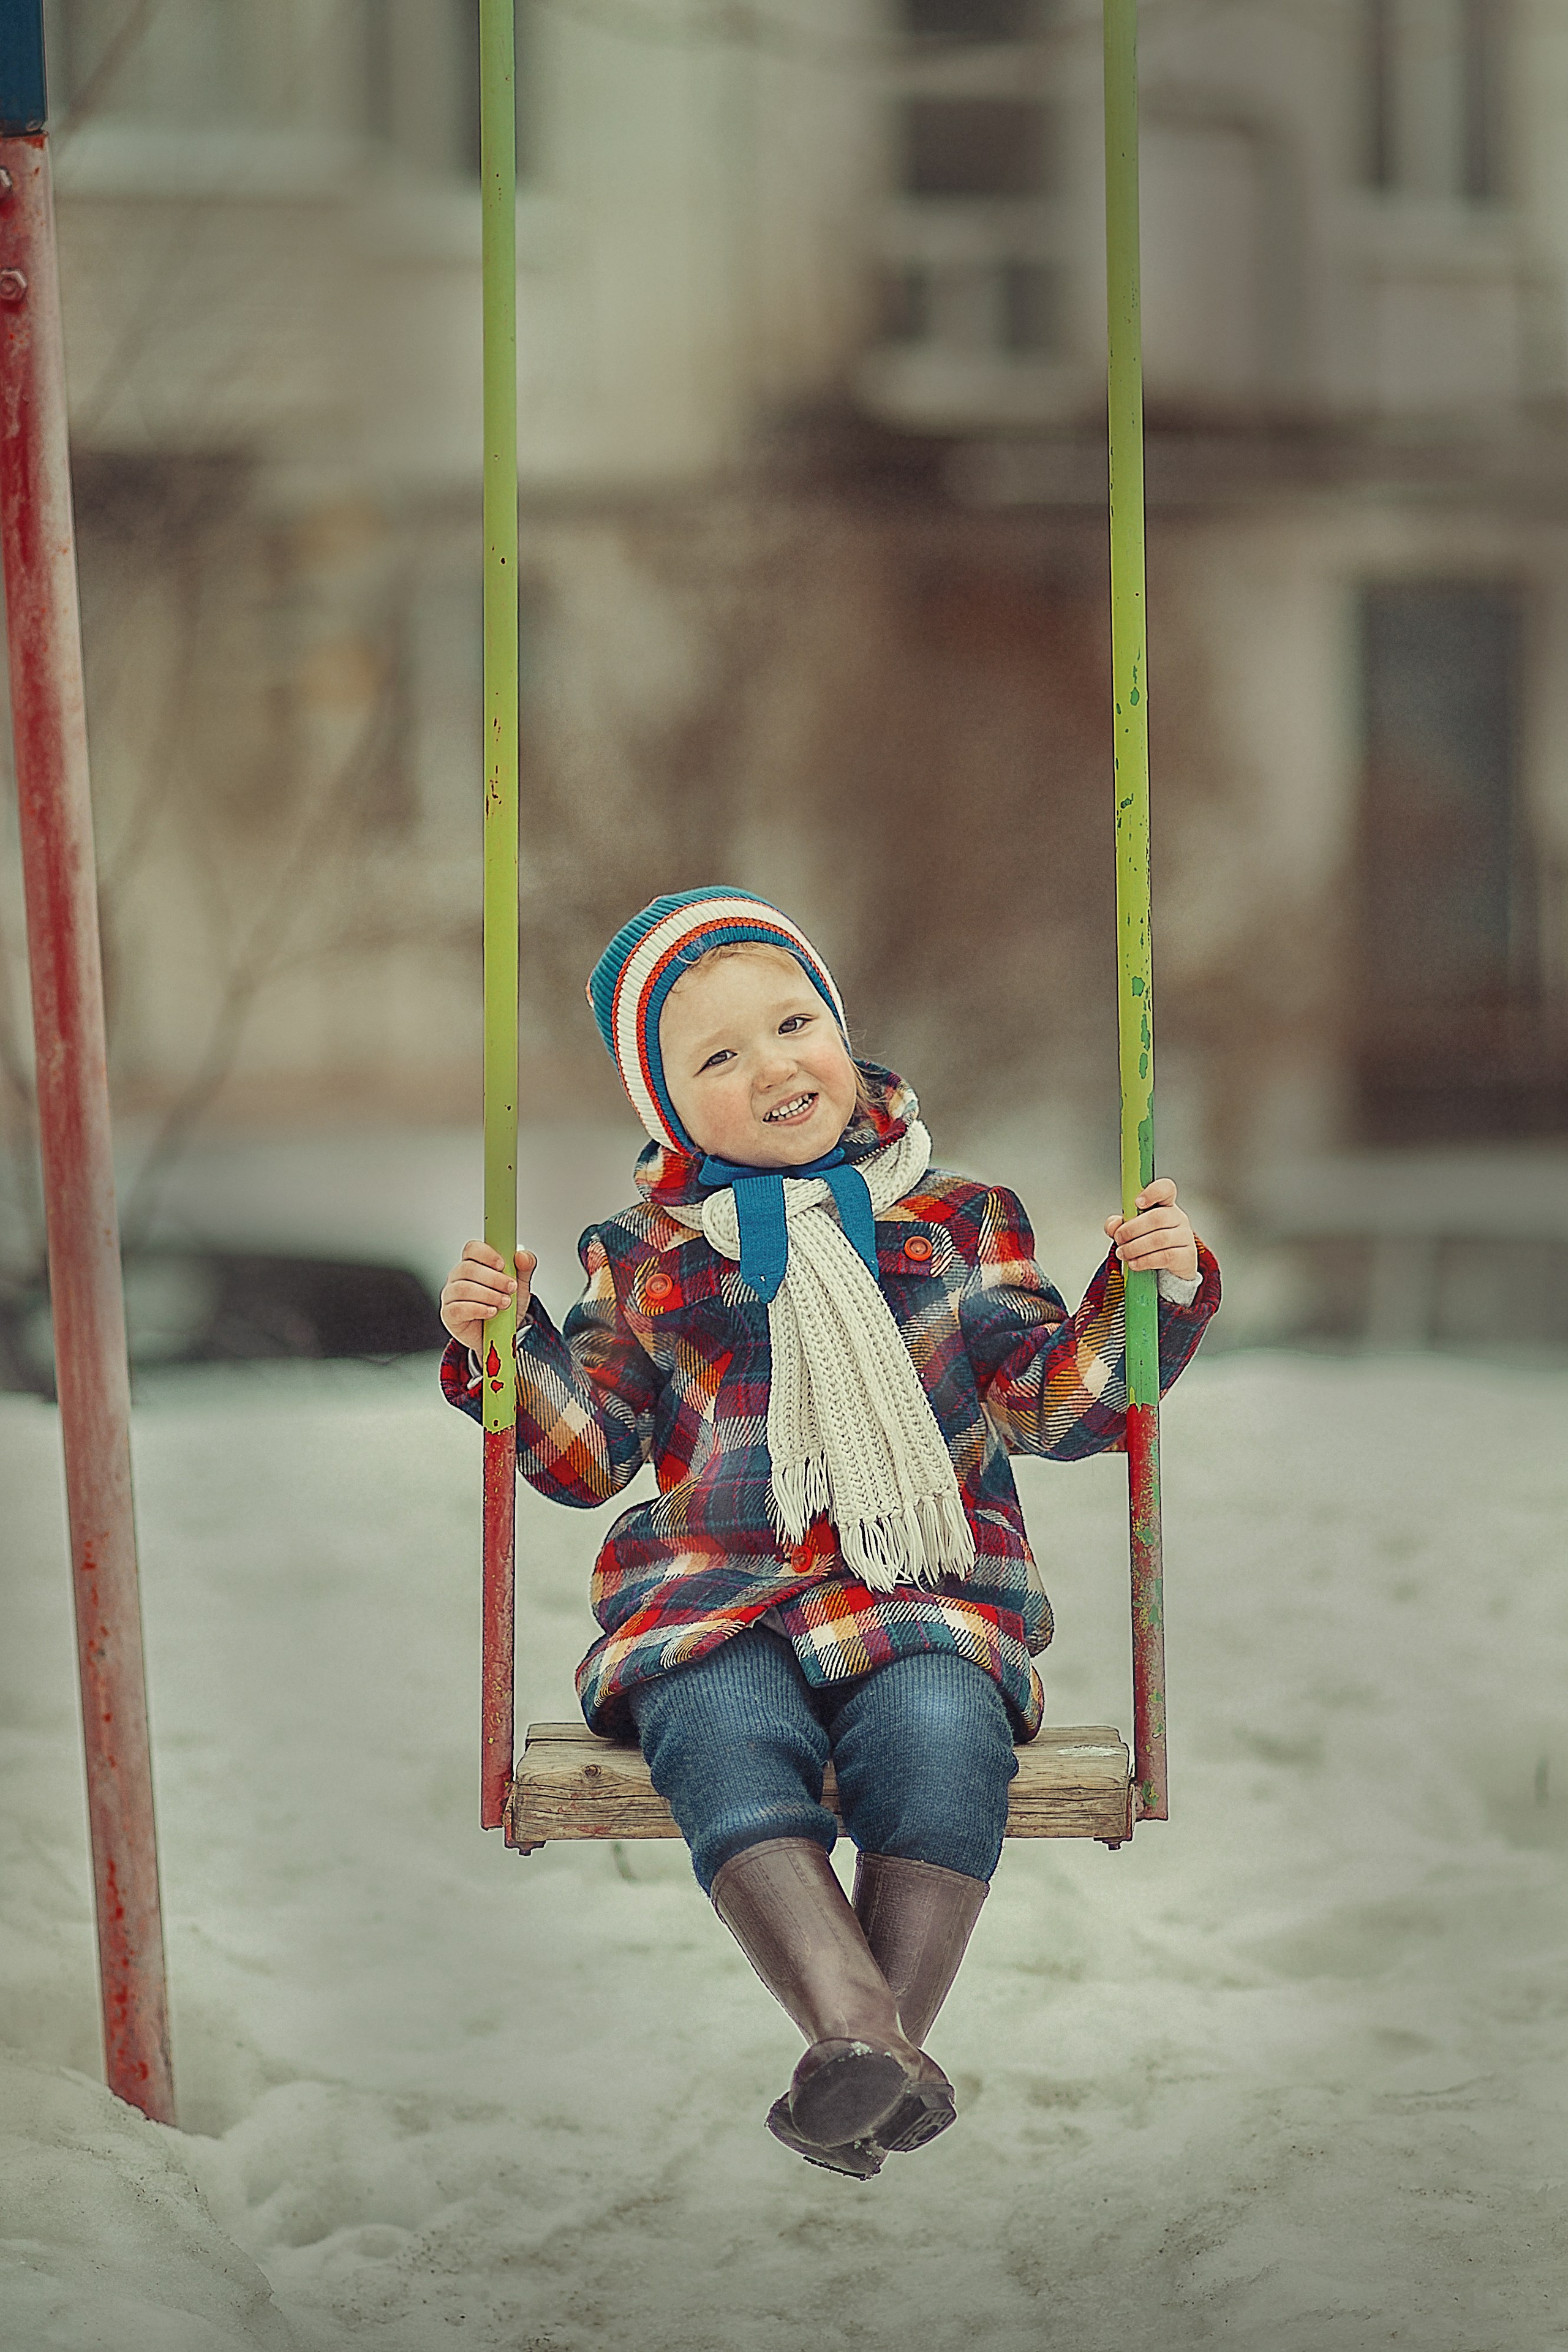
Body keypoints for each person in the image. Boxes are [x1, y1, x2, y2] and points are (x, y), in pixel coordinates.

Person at [439, 888, 1219, 2179]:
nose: (772, 1066)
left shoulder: (960, 1222)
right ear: (669, 1109)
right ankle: (864, 2038)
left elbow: (1053, 1410)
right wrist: (501, 1349)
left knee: (940, 1730)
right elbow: (587, 1458)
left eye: (792, 1021)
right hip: (710, 1604)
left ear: (841, 1032)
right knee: (717, 1730)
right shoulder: (642, 1256)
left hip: (918, 1595)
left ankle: (863, 2058)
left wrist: (1150, 1299)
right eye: (717, 1058)